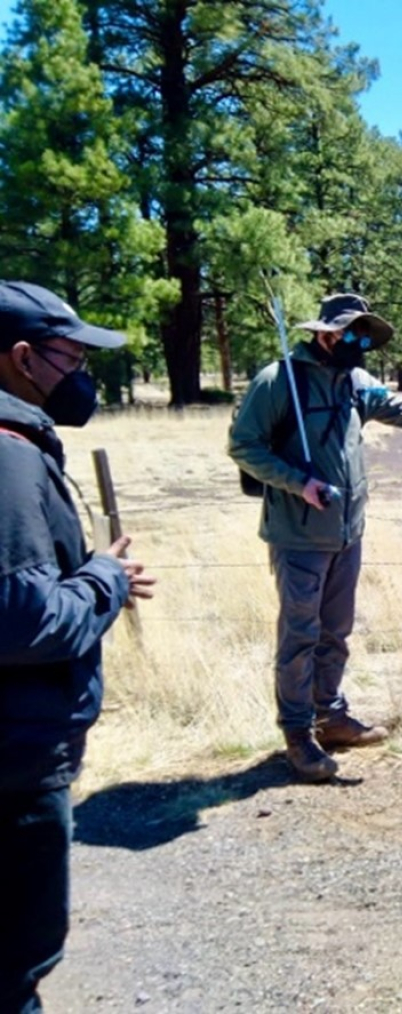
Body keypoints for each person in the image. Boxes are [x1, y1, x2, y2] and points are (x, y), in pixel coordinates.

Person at [229, 293, 402, 783]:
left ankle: (330, 718)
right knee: (300, 637)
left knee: (336, 631)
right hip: (298, 535)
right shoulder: (279, 381)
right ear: (325, 334)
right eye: (351, 334)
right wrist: (300, 482)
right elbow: (243, 445)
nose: (359, 344)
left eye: (363, 336)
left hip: (346, 531)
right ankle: (297, 734)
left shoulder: (356, 383)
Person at [0, 281, 156, 1013]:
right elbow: (26, 621)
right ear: (23, 358)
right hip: (14, 759)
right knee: (12, 965)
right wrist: (103, 579)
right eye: (71, 356)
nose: (83, 376)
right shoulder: (10, 459)